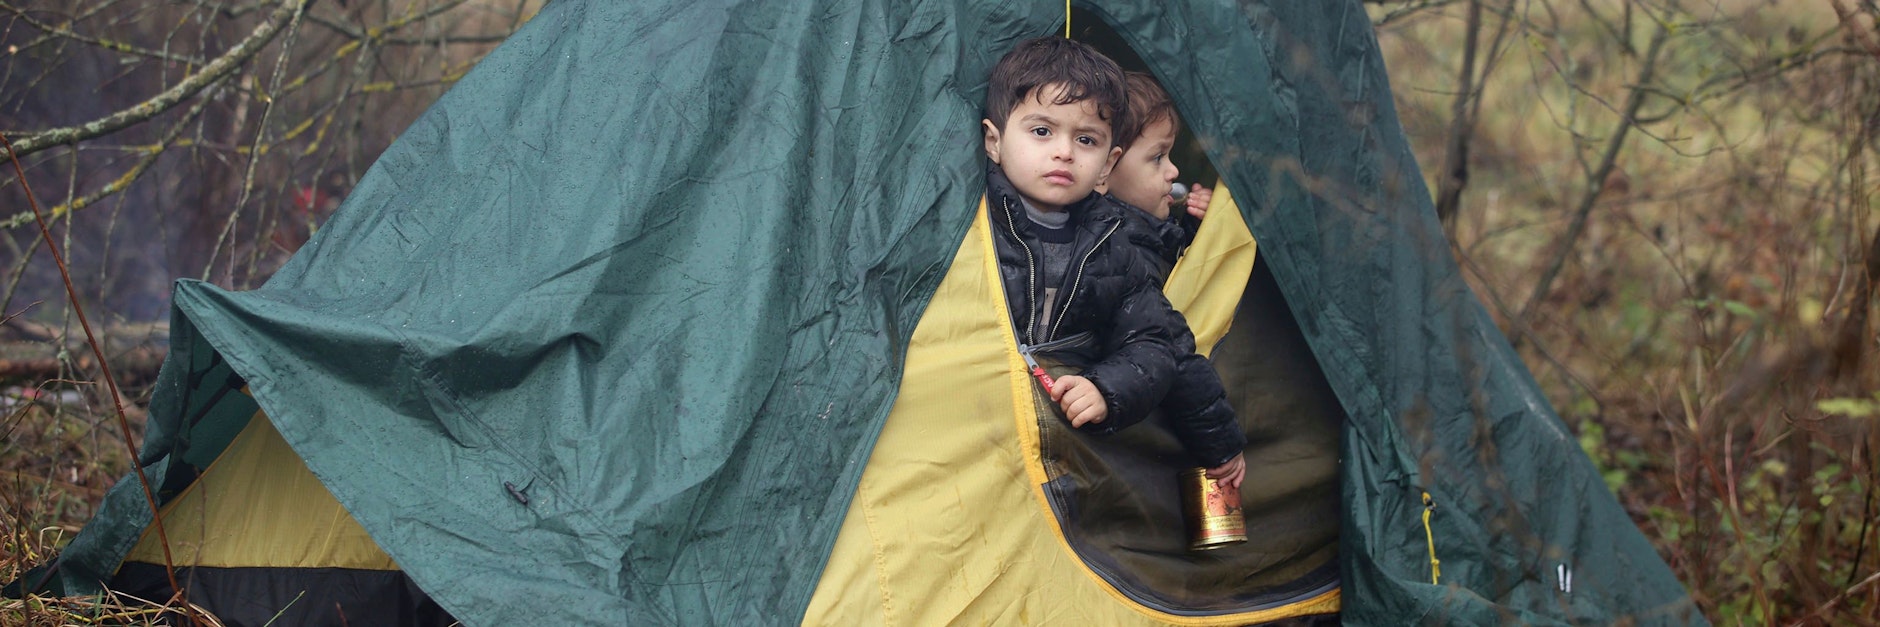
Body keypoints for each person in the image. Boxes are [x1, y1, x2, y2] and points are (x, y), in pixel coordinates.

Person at [980, 36, 1246, 489]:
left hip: (1053, 463)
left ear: (1107, 165)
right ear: (994, 141)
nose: (1064, 151)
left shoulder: (1113, 249)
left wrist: (1106, 388)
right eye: (1042, 131)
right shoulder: (971, 224)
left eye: (1085, 139)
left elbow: (1158, 345)